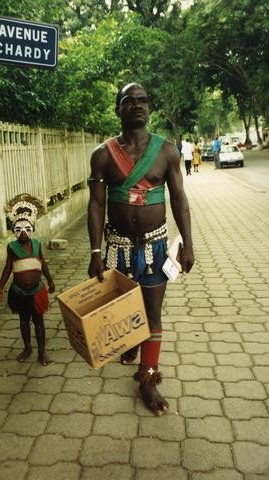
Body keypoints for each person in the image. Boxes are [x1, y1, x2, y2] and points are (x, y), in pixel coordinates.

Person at [87, 82, 194, 416]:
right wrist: (94, 253)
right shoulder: (102, 154)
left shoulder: (166, 151)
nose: (137, 105)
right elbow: (96, 203)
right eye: (128, 101)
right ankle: (131, 341)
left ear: (149, 107)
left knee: (152, 314)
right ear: (118, 109)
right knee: (121, 310)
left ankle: (147, 379)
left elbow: (178, 199)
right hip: (116, 247)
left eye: (143, 100)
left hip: (155, 248)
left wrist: (188, 243)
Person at [0, 194, 55, 366]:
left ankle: (42, 352)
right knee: (23, 320)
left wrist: (50, 281)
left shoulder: (36, 244)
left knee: (39, 321)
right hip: (19, 292)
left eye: (26, 228)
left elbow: (42, 263)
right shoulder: (12, 247)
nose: (23, 233)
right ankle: (27, 348)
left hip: (36, 292)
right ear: (13, 230)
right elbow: (7, 268)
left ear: (33, 228)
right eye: (18, 229)